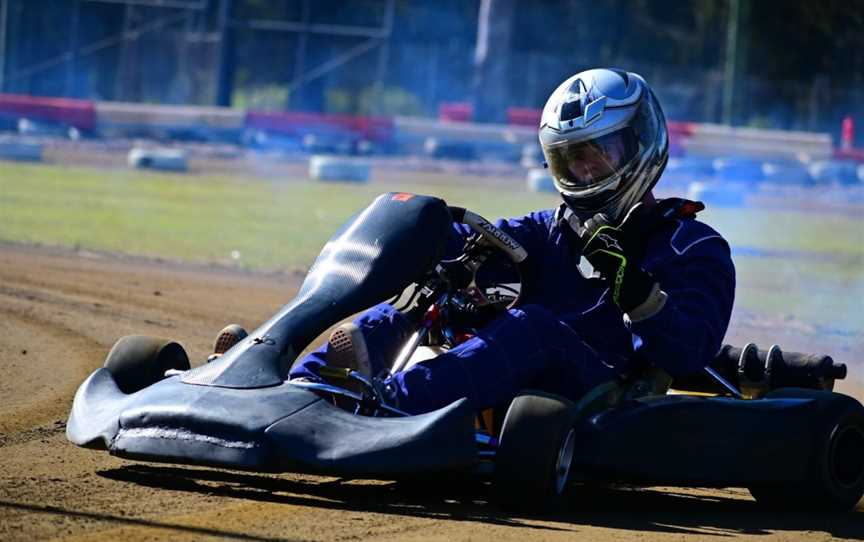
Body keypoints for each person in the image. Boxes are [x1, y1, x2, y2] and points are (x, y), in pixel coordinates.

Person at [218, 68, 736, 415]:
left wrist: (631, 283)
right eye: (570, 157)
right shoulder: (550, 228)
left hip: (610, 394)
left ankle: (382, 406)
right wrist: (430, 243)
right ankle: (281, 392)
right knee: (416, 311)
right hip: (530, 382)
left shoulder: (692, 246)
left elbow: (688, 351)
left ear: (640, 144)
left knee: (533, 325)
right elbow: (483, 240)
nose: (583, 168)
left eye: (597, 152)